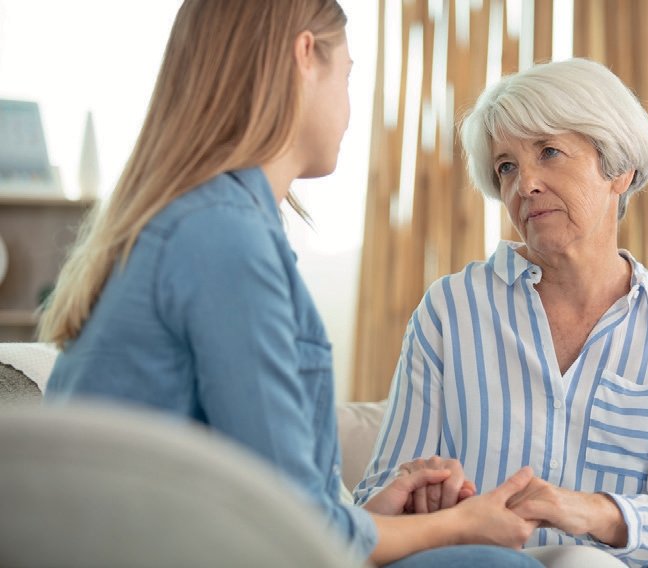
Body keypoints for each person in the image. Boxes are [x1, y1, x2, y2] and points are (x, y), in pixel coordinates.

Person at [38, 2, 544, 567]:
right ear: (306, 55)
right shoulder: (223, 239)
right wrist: (460, 525)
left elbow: (273, 498)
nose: (352, 110)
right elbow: (291, 526)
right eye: (348, 74)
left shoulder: (194, 222)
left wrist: (369, 518)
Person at [354, 58, 648, 568]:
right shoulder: (450, 309)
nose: (525, 185)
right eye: (506, 167)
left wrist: (588, 512)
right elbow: (380, 493)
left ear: (619, 168)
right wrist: (419, 492)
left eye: (549, 152)